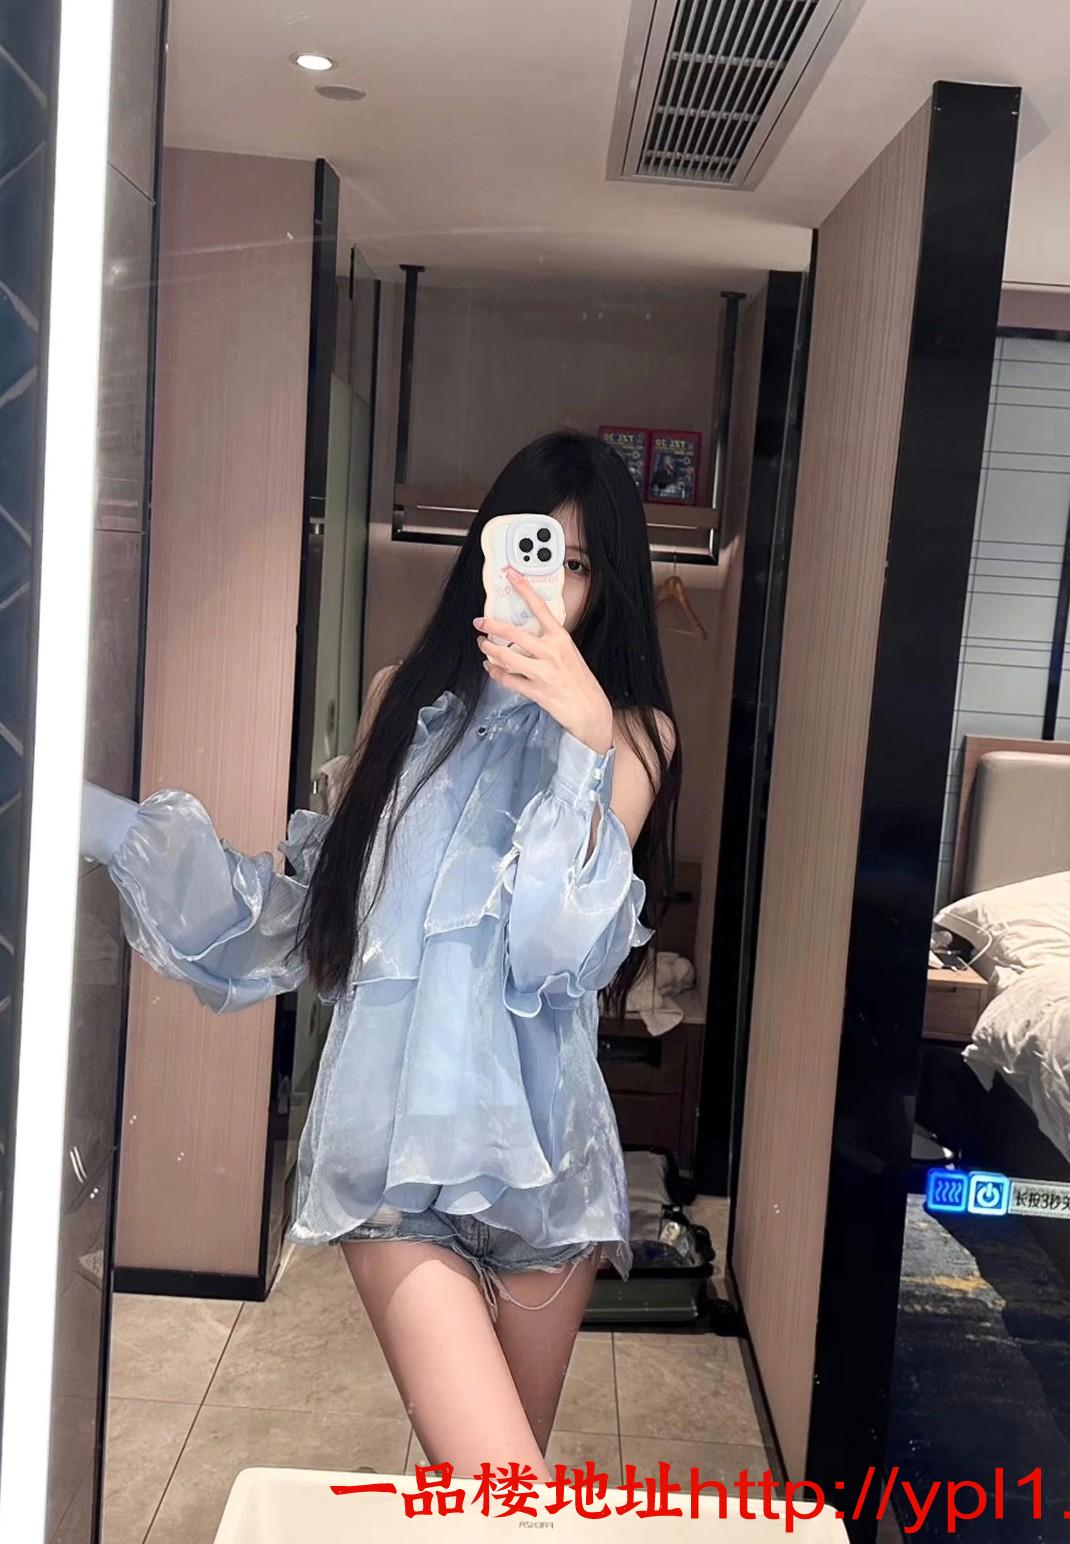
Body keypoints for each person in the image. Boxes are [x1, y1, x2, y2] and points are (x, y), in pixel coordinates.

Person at [79, 430, 680, 1481]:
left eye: (575, 563)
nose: (544, 583)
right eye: (528, 546)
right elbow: (316, 917)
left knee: (491, 1507)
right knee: (507, 1500)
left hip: (551, 1184)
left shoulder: (630, 737)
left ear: (606, 582)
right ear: (485, 551)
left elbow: (554, 950)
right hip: (396, 1174)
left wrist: (582, 745)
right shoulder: (402, 702)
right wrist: (105, 824)